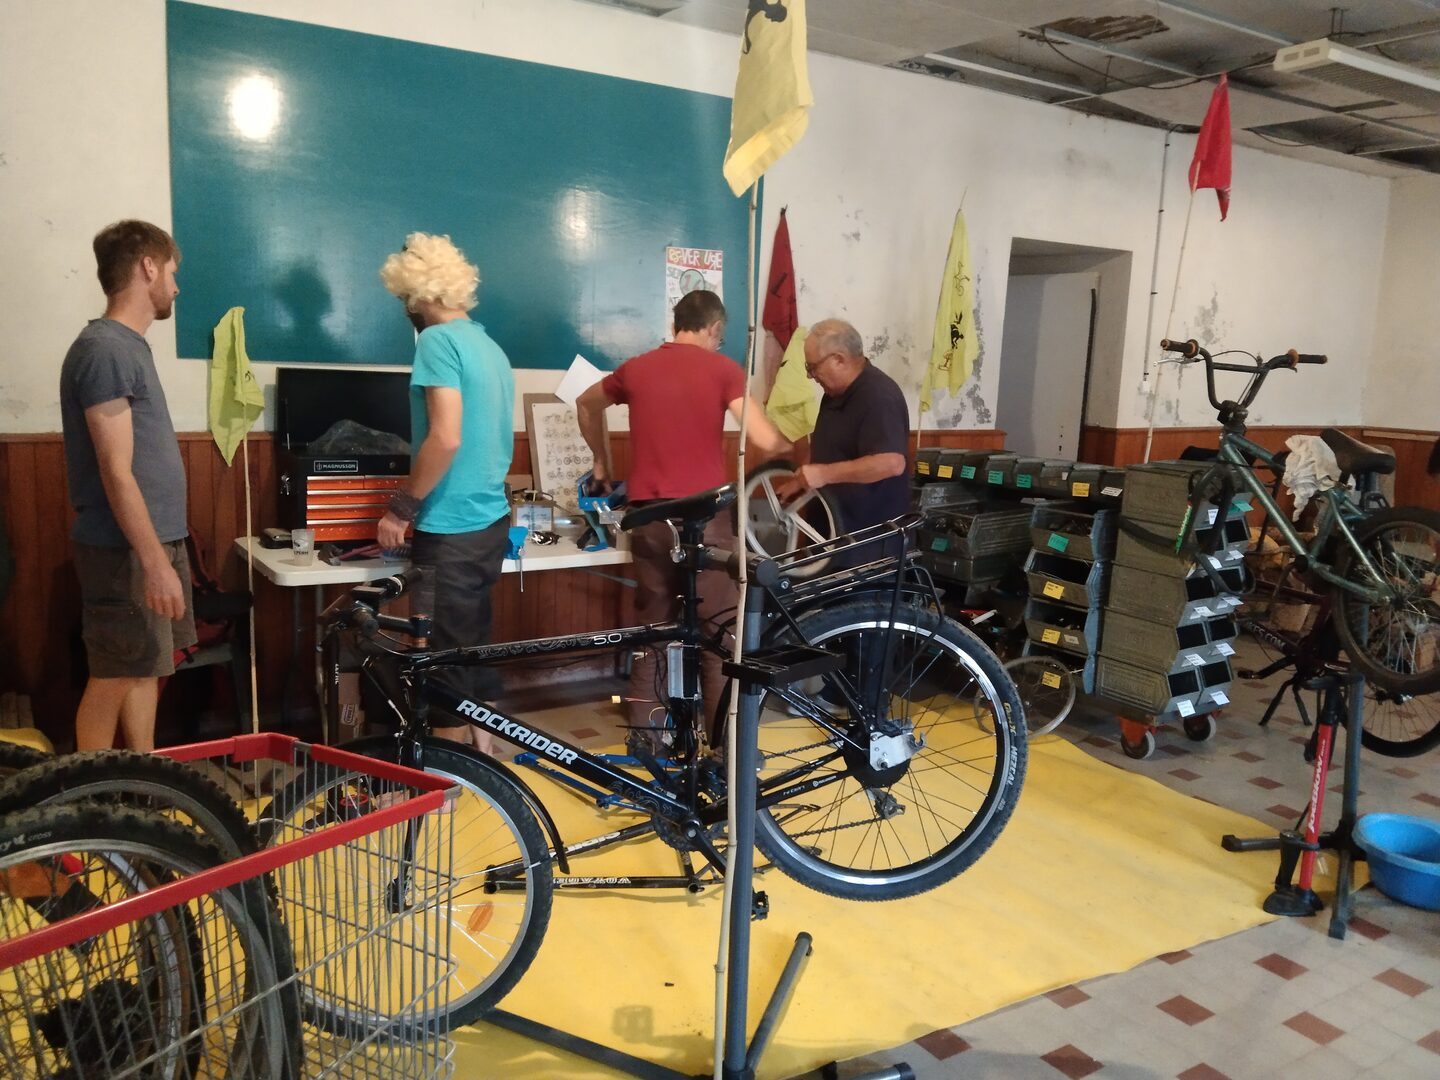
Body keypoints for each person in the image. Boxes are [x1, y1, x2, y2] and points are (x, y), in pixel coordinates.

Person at [576, 290, 790, 749]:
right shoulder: (722, 370)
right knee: (720, 634)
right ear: (713, 329)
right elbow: (766, 439)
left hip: (648, 522)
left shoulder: (637, 368)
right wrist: (791, 451)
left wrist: (601, 463)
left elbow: (585, 403)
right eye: (720, 337)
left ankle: (648, 741)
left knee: (653, 633)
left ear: (678, 323)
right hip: (704, 523)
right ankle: (724, 748)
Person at [376, 233, 514, 751]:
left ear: (416, 295)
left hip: (450, 528)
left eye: (402, 300)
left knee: (439, 654)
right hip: (490, 524)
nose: (405, 310)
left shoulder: (435, 341)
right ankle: (486, 752)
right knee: (471, 642)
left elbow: (446, 436)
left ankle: (448, 779)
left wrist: (401, 508)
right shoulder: (489, 346)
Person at [60, 219, 192, 752]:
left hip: (153, 541)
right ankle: (87, 799)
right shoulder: (105, 348)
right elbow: (116, 471)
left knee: (143, 669)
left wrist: (165, 551)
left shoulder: (130, 346)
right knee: (113, 673)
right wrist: (155, 563)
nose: (176, 288)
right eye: (173, 273)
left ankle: (145, 783)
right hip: (125, 550)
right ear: (148, 267)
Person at [777, 318, 909, 556]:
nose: (810, 376)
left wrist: (823, 474)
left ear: (839, 359)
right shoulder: (834, 393)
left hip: (867, 548)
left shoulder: (879, 395)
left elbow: (891, 463)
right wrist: (801, 481)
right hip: (830, 538)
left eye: (812, 367)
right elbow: (826, 444)